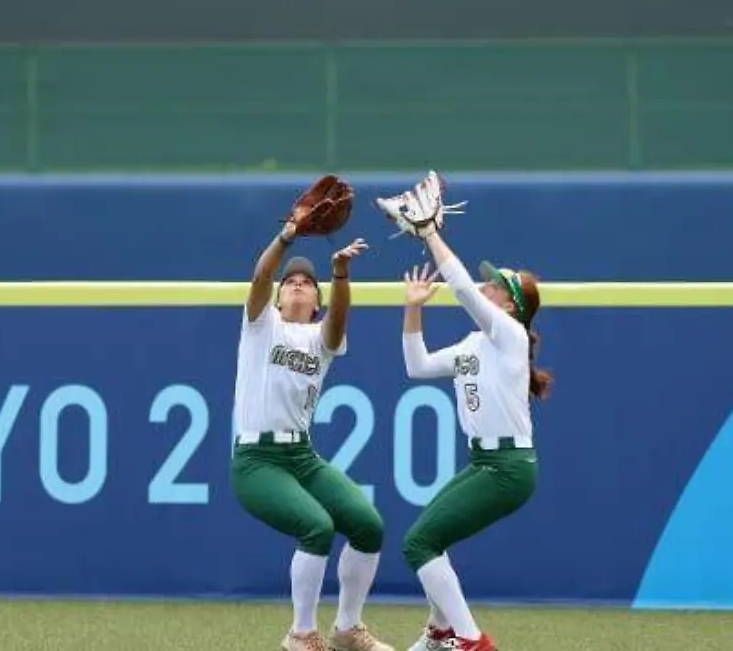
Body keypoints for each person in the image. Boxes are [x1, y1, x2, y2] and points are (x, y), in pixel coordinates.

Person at [230, 215, 395, 651]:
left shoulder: (321, 338)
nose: (297, 284)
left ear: (317, 300)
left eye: (307, 281)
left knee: (367, 525)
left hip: (301, 458)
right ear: (279, 297)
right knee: (317, 527)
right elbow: (261, 274)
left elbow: (339, 322)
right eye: (291, 282)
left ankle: (347, 629)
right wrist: (287, 235)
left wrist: (339, 274)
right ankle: (301, 634)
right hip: (256, 461)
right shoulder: (261, 325)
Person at [395, 228, 552, 651]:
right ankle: (442, 630)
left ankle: (469, 639)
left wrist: (429, 234)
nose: (487, 286)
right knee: (429, 540)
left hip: (508, 468)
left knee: (419, 543)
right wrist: (413, 310)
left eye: (497, 285)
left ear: (509, 306)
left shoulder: (510, 336)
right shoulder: (475, 342)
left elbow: (462, 289)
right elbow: (419, 366)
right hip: (487, 464)